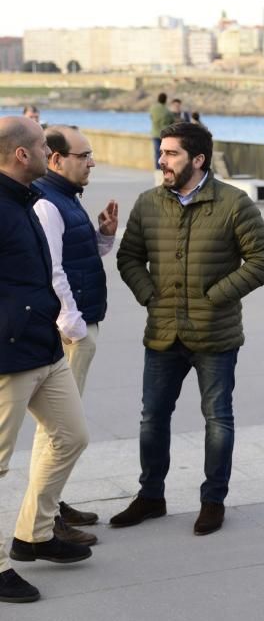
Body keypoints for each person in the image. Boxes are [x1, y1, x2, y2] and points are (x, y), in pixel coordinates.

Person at [111, 122, 264, 536]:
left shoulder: (235, 204)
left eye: (171, 154)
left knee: (218, 419)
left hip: (215, 336)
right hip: (162, 333)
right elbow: (128, 257)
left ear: (197, 159)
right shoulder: (148, 203)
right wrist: (150, 296)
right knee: (152, 419)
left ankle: (212, 500)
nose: (161, 160)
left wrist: (217, 295)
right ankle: (151, 496)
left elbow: (263, 260)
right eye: (161, 152)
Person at [0, 116, 92, 605]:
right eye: (41, 145)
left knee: (72, 435)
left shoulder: (28, 202)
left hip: (45, 348)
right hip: (9, 355)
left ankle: (33, 534)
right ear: (22, 155)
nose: (48, 151)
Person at [32, 126, 117, 547]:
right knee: (59, 431)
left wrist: (104, 235)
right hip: (72, 330)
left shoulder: (65, 198)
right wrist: (73, 325)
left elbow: (77, 257)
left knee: (61, 430)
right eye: (84, 155)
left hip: (81, 323)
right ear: (56, 159)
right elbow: (51, 270)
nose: (92, 162)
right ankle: (44, 520)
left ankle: (52, 505)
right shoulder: (49, 203)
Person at [149, 93, 173, 170]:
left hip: (155, 133)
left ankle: (158, 169)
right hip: (164, 134)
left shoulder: (153, 108)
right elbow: (171, 121)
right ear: (165, 100)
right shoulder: (167, 111)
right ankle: (164, 168)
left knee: (157, 153)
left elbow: (151, 117)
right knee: (165, 153)